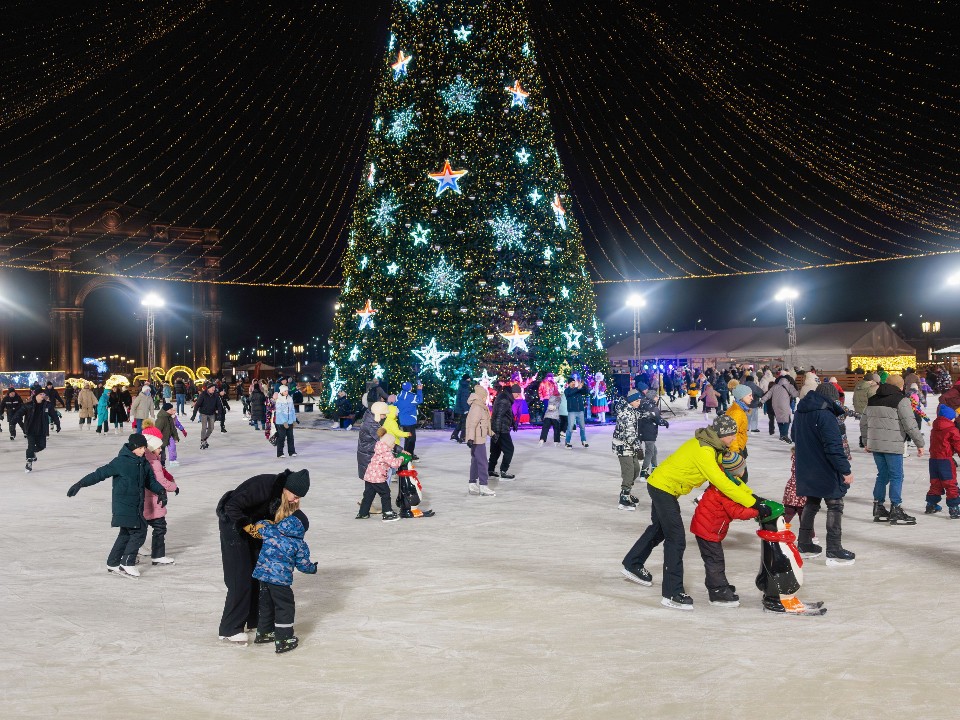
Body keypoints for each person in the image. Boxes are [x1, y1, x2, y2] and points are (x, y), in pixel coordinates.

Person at [621, 414, 765, 611]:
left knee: (659, 529)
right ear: (721, 434)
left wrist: (754, 498)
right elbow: (723, 484)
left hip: (662, 485)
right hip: (663, 488)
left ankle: (632, 563)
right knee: (676, 539)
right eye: (731, 434)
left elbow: (731, 479)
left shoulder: (713, 446)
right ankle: (672, 593)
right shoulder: (705, 451)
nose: (734, 438)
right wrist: (754, 503)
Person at [215, 468, 311, 644]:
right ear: (287, 488)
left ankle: (254, 620)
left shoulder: (281, 495)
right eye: (295, 496)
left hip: (254, 530)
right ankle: (229, 629)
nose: (296, 500)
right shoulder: (264, 486)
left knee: (256, 574)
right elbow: (231, 506)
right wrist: (248, 527)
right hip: (233, 526)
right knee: (239, 576)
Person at [66, 433, 168, 577]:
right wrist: (80, 484)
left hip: (136, 504)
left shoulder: (143, 462)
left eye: (144, 447)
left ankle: (113, 563)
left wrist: (161, 491)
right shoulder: (120, 462)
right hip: (124, 504)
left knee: (125, 533)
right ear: (133, 447)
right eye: (140, 448)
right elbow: (99, 474)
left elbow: (150, 481)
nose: (143, 450)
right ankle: (127, 563)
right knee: (139, 531)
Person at [792, 383, 856, 565]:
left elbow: (795, 436)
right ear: (831, 398)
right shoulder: (826, 414)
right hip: (824, 467)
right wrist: (845, 470)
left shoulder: (801, 412)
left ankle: (804, 543)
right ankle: (834, 548)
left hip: (806, 466)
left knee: (812, 502)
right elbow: (834, 447)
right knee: (835, 504)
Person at [689, 451, 759, 607]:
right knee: (715, 560)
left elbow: (742, 494)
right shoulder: (725, 489)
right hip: (707, 530)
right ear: (736, 471)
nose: (744, 471)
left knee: (713, 559)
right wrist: (758, 511)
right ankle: (717, 591)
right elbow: (736, 511)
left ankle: (717, 584)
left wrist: (756, 502)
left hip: (706, 527)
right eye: (743, 468)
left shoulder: (727, 481)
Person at [252, 506, 318, 654]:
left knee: (267, 604)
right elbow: (303, 565)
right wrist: (313, 568)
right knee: (285, 607)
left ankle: (264, 632)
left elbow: (259, 525)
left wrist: (268, 522)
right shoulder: (299, 544)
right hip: (280, 581)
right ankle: (284, 639)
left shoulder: (271, 530)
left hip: (263, 577)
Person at [861, 375, 924, 525]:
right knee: (896, 476)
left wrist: (866, 442)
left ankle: (878, 507)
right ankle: (896, 508)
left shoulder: (873, 399)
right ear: (901, 387)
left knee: (882, 475)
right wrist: (919, 443)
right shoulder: (901, 400)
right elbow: (910, 424)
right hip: (893, 445)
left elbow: (863, 423)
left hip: (876, 444)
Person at [139, 425, 179, 565]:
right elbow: (161, 481)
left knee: (140, 527)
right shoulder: (154, 463)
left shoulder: (143, 460)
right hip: (154, 501)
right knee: (160, 527)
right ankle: (158, 555)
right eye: (158, 447)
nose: (161, 450)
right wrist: (174, 487)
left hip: (144, 500)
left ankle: (135, 550)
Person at [357, 428, 407, 521]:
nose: (393, 445)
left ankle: (363, 513)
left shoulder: (379, 448)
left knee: (368, 495)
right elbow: (394, 464)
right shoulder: (386, 452)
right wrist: (401, 458)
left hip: (369, 476)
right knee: (385, 494)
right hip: (378, 478)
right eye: (393, 443)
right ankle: (387, 513)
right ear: (388, 444)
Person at [13, 388, 60, 472]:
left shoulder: (47, 405)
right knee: (31, 446)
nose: (43, 396)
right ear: (36, 395)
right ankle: (29, 462)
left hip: (42, 430)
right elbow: (19, 413)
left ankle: (32, 453)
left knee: (42, 446)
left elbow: (54, 415)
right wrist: (13, 421)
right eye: (41, 394)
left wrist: (58, 424)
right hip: (30, 429)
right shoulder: (28, 405)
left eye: (44, 394)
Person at [925, 405, 960, 518]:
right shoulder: (952, 430)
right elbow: (958, 444)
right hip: (945, 461)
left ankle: (931, 505)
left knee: (935, 483)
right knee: (950, 484)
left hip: (933, 461)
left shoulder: (934, 429)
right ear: (949, 418)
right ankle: (954, 508)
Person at [612, 389, 644, 510]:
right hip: (623, 446)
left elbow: (639, 416)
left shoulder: (632, 410)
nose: (639, 403)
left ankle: (627, 492)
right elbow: (630, 435)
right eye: (637, 401)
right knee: (629, 471)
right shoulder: (626, 413)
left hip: (630, 446)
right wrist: (639, 449)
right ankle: (624, 498)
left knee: (636, 469)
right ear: (631, 401)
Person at [465, 384, 496, 496]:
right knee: (483, 462)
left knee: (475, 461)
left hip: (478, 437)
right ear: (481, 396)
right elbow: (472, 424)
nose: (486, 398)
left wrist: (491, 433)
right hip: (477, 439)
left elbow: (485, 424)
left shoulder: (480, 406)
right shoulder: (477, 407)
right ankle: (483, 485)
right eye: (485, 396)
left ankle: (472, 484)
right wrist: (470, 438)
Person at [638, 383, 669, 479]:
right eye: (656, 396)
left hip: (642, 431)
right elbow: (658, 420)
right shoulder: (653, 407)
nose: (657, 398)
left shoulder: (642, 404)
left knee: (654, 451)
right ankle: (643, 473)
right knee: (649, 452)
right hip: (649, 432)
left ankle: (655, 468)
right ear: (652, 397)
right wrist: (666, 423)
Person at [488, 383, 518, 480]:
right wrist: (497, 432)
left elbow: (508, 412)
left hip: (497, 428)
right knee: (509, 450)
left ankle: (490, 470)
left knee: (496, 450)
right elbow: (498, 416)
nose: (518, 396)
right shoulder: (504, 400)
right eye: (517, 394)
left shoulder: (505, 397)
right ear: (513, 392)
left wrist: (513, 422)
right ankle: (503, 471)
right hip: (501, 429)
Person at [761, 373, 798, 443]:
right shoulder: (789, 386)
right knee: (787, 419)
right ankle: (784, 435)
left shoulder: (774, 386)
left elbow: (768, 395)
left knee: (779, 419)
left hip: (775, 405)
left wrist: (762, 401)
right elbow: (795, 394)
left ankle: (782, 435)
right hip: (784, 404)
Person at [395, 381, 423, 459]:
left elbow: (395, 404)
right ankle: (409, 455)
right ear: (410, 387)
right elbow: (420, 400)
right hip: (410, 420)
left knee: (407, 438)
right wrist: (419, 390)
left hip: (402, 420)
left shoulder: (399, 395)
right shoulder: (411, 396)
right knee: (411, 439)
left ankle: (407, 453)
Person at [193, 382, 223, 450]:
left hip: (211, 414)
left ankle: (205, 439)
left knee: (211, 428)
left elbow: (219, 405)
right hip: (203, 413)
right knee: (204, 427)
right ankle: (202, 441)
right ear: (208, 388)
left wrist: (219, 414)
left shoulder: (216, 395)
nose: (214, 389)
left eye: (214, 388)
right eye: (212, 388)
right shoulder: (203, 394)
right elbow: (197, 404)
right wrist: (194, 414)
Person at [564, 376, 590, 448]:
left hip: (580, 411)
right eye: (571, 382)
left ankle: (584, 441)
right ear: (569, 383)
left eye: (574, 382)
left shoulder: (578, 389)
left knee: (582, 427)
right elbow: (570, 394)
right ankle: (567, 442)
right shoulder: (567, 391)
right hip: (572, 411)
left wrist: (583, 385)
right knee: (570, 427)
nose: (573, 383)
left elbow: (586, 392)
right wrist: (577, 388)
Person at [273, 385, 298, 458]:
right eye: (285, 391)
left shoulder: (290, 398)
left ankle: (292, 452)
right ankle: (280, 453)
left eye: (287, 391)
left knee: (290, 437)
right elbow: (279, 412)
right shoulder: (279, 400)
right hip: (281, 422)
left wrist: (294, 420)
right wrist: (284, 422)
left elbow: (292, 410)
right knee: (281, 438)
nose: (286, 392)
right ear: (281, 392)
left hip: (290, 422)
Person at [539, 379, 562, 446]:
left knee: (545, 428)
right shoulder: (558, 398)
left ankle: (542, 439)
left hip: (548, 415)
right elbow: (557, 405)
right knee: (556, 428)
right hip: (555, 416)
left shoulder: (550, 397)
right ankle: (556, 441)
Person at [451, 374, 472, 443]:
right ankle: (462, 437)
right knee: (465, 423)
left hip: (460, 407)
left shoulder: (462, 385)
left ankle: (454, 434)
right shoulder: (465, 386)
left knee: (461, 422)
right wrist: (466, 409)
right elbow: (464, 399)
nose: (470, 379)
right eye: (469, 378)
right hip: (463, 408)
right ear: (467, 379)